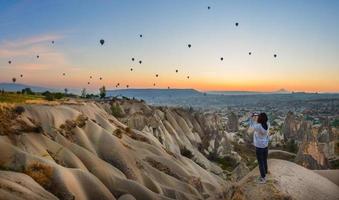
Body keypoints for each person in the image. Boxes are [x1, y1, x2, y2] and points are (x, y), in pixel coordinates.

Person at [249, 112, 269, 184]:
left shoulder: (258, 126)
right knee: (264, 160)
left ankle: (263, 178)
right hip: (265, 145)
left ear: (260, 118)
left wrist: (252, 117)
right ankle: (265, 172)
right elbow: (260, 121)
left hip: (259, 146)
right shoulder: (267, 124)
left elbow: (251, 126)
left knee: (260, 162)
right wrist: (258, 116)